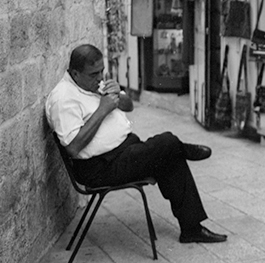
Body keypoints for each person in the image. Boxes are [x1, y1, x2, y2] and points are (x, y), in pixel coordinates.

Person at [46, 44, 227, 244]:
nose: (99, 78)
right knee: (167, 143)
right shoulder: (63, 99)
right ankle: (183, 149)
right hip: (101, 167)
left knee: (168, 155)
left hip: (124, 151)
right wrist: (102, 110)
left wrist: (118, 95)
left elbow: (129, 106)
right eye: (93, 74)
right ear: (75, 73)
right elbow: (72, 148)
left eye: (102, 71)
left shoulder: (90, 84)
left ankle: (192, 229)